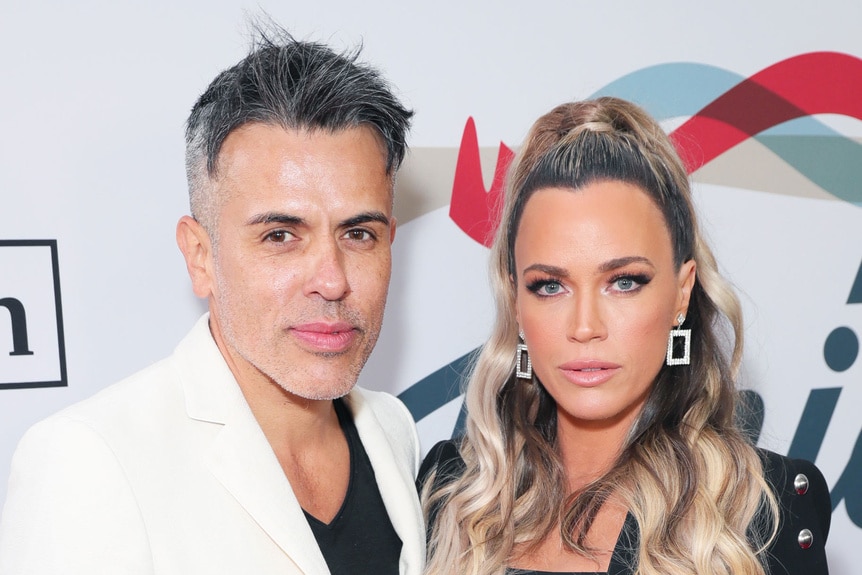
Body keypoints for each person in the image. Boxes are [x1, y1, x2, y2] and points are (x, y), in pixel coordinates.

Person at [0, 27, 423, 575]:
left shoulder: (393, 430)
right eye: (280, 236)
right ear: (200, 257)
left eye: (358, 233)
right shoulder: (92, 461)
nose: (332, 280)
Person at [418, 97, 831, 575]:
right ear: (516, 302)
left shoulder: (762, 508)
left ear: (682, 292)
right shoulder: (450, 494)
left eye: (624, 281)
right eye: (549, 286)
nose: (585, 327)